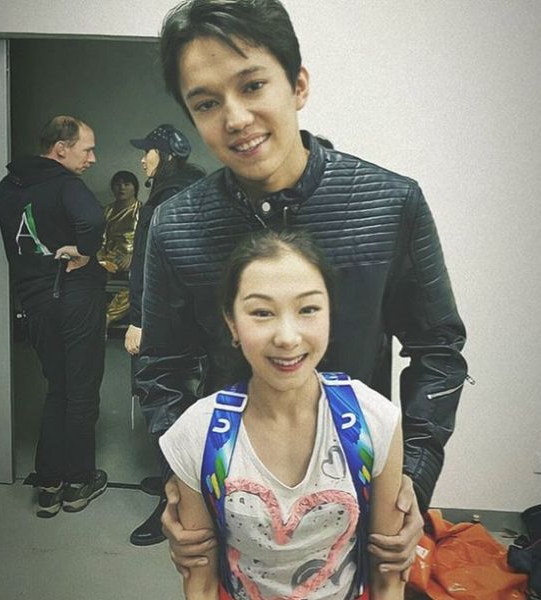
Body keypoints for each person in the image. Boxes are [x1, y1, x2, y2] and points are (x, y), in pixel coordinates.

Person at [142, 0, 468, 578]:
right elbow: (161, 367)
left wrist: (410, 478)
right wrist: (182, 476)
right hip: (232, 506)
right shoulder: (177, 224)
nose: (236, 117)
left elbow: (438, 350)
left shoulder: (390, 204)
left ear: (298, 85)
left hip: (361, 497)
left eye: (253, 85)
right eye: (207, 103)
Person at [159, 228, 405, 599]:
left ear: (330, 314)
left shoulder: (374, 421)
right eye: (262, 312)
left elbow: (389, 575)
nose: (287, 337)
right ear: (232, 323)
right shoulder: (198, 433)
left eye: (308, 309)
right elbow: (200, 579)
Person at [0, 115, 108, 517]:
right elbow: (93, 220)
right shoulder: (66, 184)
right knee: (81, 390)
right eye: (87, 149)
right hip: (76, 297)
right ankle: (77, 483)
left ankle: (48, 485)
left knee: (57, 387)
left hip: (35, 301)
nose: (92, 158)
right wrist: (85, 251)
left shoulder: (6, 188)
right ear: (61, 148)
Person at [126, 124, 205, 546]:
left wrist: (139, 319)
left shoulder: (171, 197)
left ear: (166, 155)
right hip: (180, 321)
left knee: (167, 409)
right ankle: (170, 483)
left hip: (166, 324)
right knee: (173, 405)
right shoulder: (185, 190)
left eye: (148, 152)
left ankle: (174, 505)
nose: (142, 159)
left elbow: (153, 264)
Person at [97, 170, 141, 327]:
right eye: (118, 184)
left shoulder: (141, 211)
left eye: (127, 184)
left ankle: (107, 317)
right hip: (109, 259)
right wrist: (101, 260)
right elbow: (100, 240)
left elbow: (145, 241)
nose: (122, 188)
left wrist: (133, 257)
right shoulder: (107, 211)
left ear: (134, 188)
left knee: (138, 284)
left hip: (133, 259)